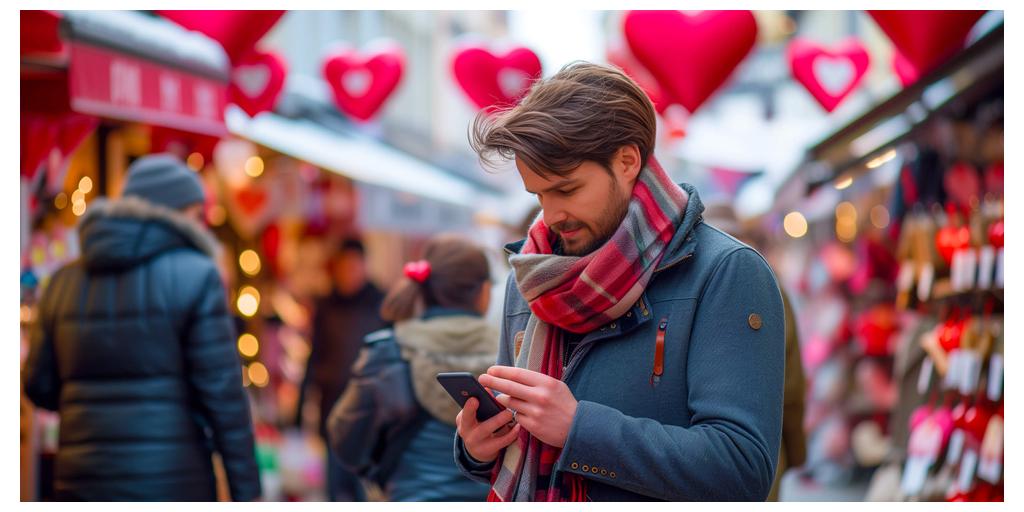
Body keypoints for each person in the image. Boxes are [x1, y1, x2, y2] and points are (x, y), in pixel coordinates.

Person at [452, 62, 786, 501]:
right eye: (538, 195)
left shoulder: (726, 272)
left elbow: (742, 470)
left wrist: (579, 429)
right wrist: (477, 447)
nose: (550, 215)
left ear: (627, 161)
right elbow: (519, 445)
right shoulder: (531, 275)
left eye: (567, 190)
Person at [22, 154, 261, 501]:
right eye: (196, 215)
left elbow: (37, 385)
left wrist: (89, 407)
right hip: (172, 483)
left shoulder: (62, 283)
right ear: (173, 213)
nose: (201, 227)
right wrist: (247, 493)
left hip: (83, 483)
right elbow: (223, 397)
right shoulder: (197, 275)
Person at [327, 234, 496, 501]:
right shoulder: (514, 356)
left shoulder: (388, 352)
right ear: (485, 291)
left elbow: (346, 442)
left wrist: (378, 468)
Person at [701, 199, 807, 501]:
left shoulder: (685, 286)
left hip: (701, 464)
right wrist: (796, 452)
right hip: (761, 455)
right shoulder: (770, 284)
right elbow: (792, 383)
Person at [294, 237, 386, 501]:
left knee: (363, 491)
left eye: (354, 267)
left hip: (370, 415)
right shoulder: (326, 306)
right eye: (344, 267)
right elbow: (314, 356)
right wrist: (299, 408)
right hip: (331, 410)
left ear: (364, 266)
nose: (349, 273)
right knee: (334, 489)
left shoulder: (379, 304)